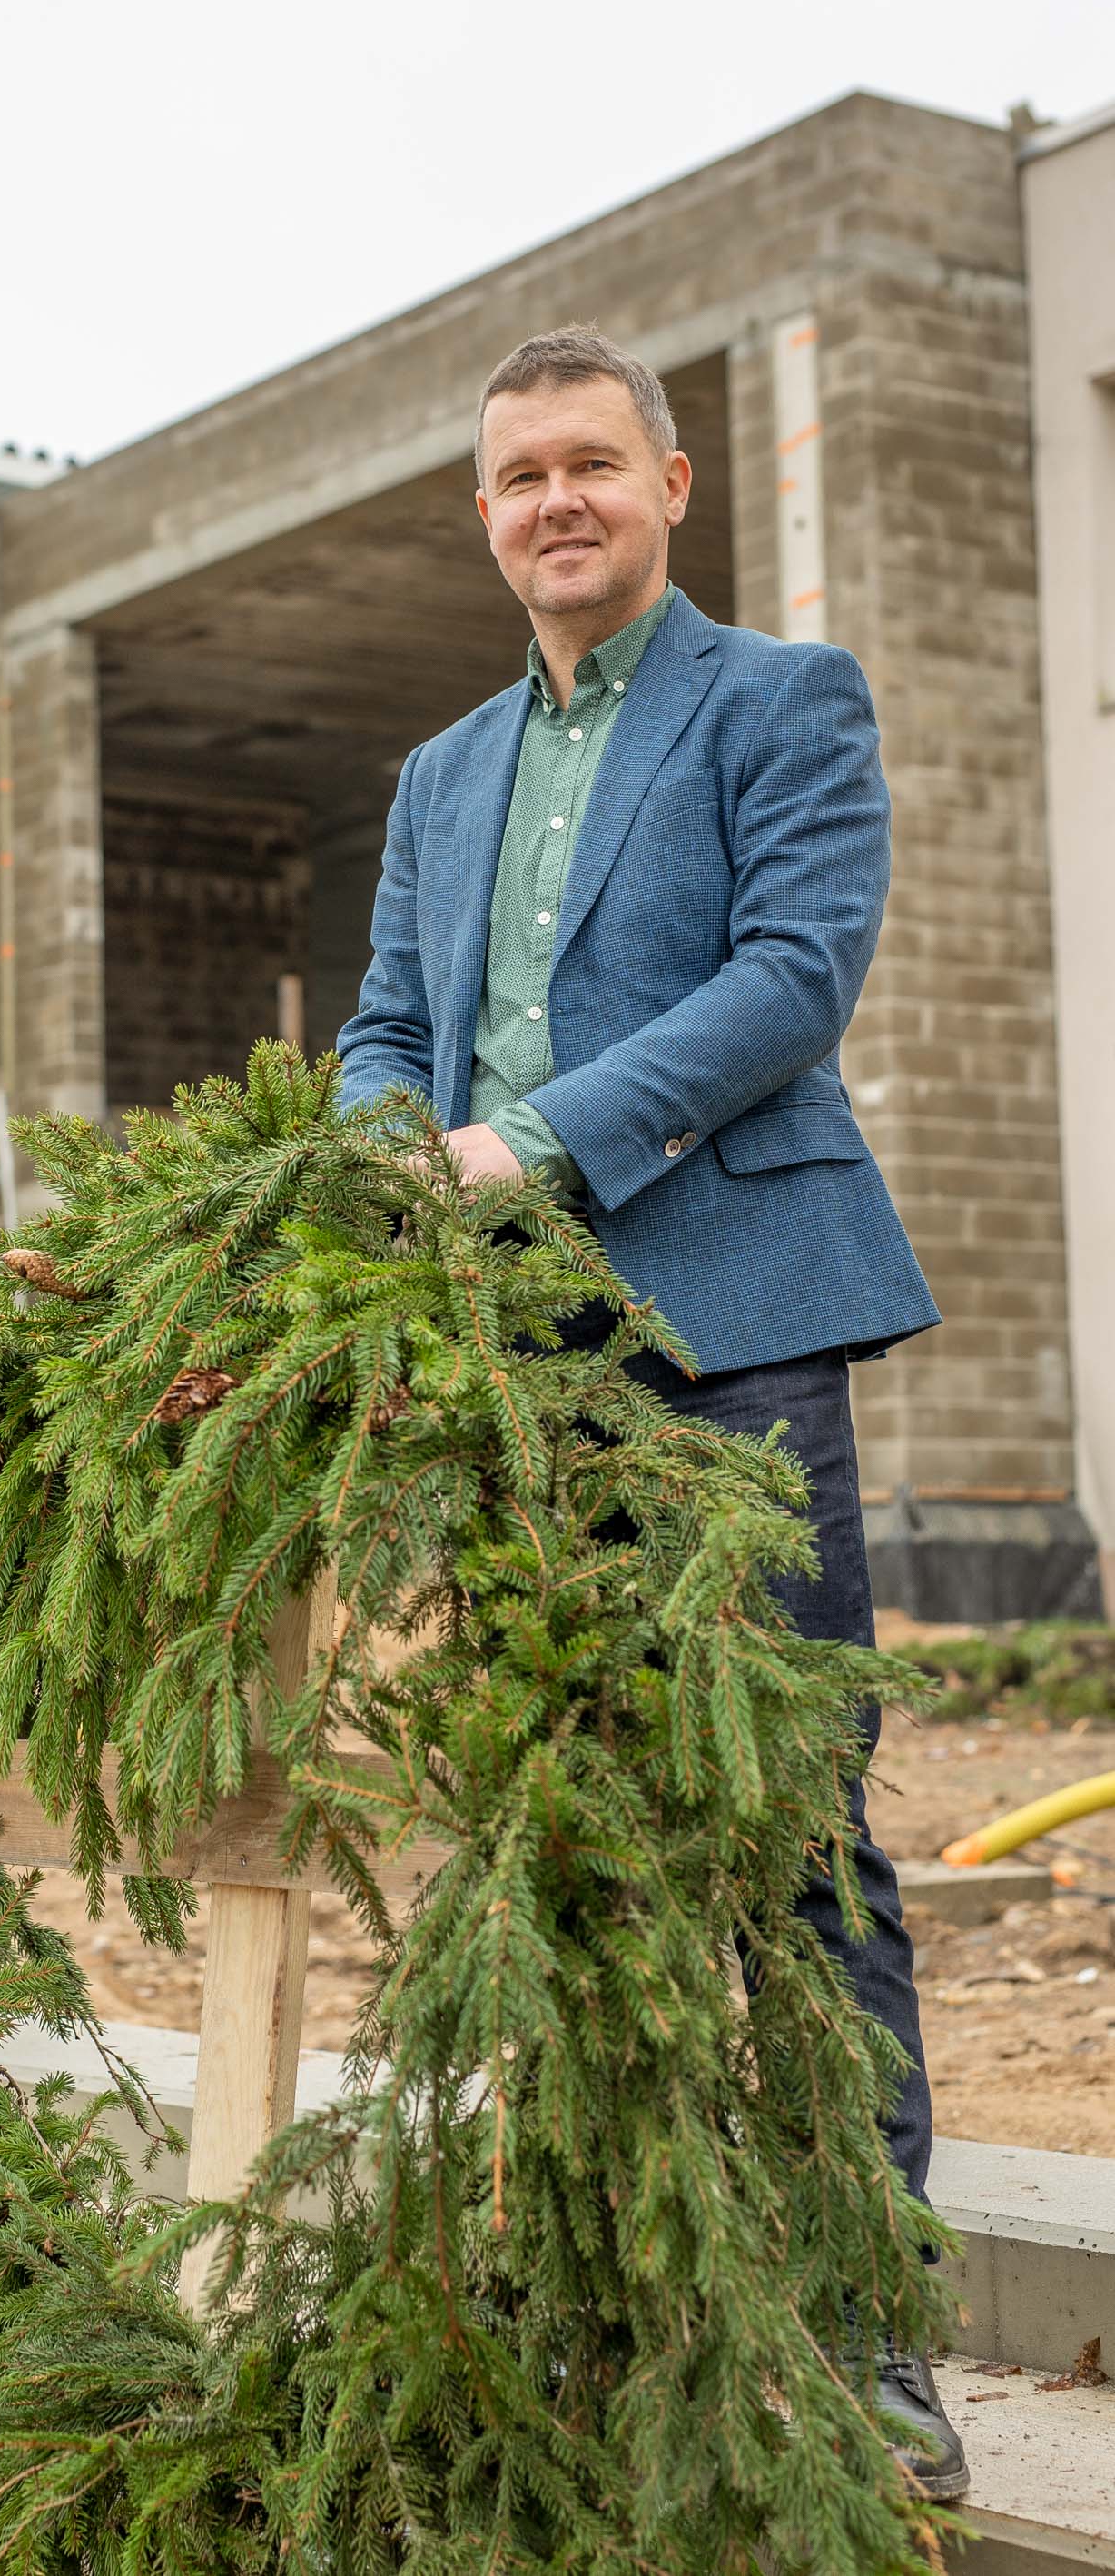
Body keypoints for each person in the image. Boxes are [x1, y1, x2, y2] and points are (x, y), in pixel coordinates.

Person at [335, 323, 965, 2499]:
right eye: (517, 478)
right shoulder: (437, 776)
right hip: (501, 1373)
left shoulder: (780, 699)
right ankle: (605, 2295)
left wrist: (530, 1150)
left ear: (672, 485)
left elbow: (792, 978)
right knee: (551, 1838)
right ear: (484, 515)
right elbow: (386, 1026)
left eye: (591, 464)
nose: (554, 504)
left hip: (732, 1324)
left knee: (796, 1842)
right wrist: (373, 1172)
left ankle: (873, 2333)